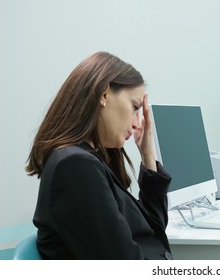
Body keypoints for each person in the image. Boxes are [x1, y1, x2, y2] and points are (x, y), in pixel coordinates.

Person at [26, 51, 173, 260]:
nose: (137, 123)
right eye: (134, 107)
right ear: (104, 94)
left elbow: (152, 233)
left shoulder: (88, 160)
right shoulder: (75, 166)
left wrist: (148, 156)